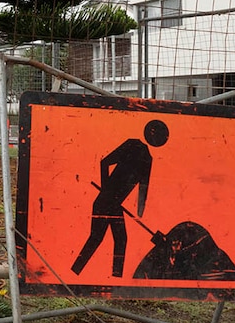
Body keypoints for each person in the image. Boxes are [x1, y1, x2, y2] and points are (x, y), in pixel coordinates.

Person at [71, 119, 169, 278]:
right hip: (104, 202)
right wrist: (106, 190)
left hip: (114, 204)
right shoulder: (132, 145)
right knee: (96, 238)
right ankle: (75, 272)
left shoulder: (147, 159)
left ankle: (116, 277)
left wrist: (140, 214)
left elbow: (142, 190)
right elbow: (105, 162)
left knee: (120, 239)